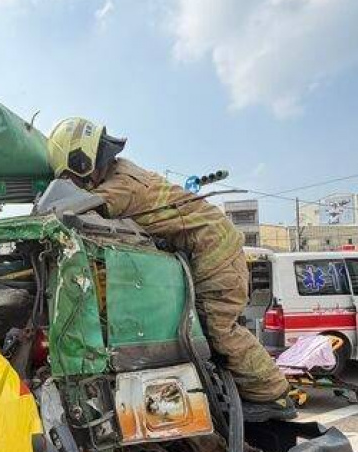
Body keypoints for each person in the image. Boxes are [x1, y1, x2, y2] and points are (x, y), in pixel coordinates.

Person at [46, 117, 295, 422]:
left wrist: (43, 208)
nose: (77, 183)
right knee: (204, 331)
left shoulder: (124, 185)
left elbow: (79, 206)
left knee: (220, 328)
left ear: (83, 161)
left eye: (73, 176)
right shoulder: (122, 173)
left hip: (214, 245)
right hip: (206, 246)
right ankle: (230, 394)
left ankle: (275, 395)